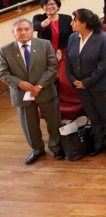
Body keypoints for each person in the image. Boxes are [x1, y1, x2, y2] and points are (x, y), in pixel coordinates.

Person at [0, 18, 63, 164]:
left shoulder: (44, 44)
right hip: (21, 94)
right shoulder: (5, 50)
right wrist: (19, 83)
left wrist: (39, 85)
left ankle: (56, 147)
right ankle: (36, 150)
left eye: (26, 29)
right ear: (13, 33)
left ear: (32, 30)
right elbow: (2, 72)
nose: (23, 32)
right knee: (29, 125)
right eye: (19, 30)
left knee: (53, 122)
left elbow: (52, 67)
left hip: (45, 92)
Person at [65, 8, 106, 157]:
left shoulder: (102, 38)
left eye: (74, 20)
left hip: (99, 84)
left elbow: (104, 64)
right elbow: (69, 62)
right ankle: (98, 142)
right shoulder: (73, 38)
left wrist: (87, 82)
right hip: (80, 86)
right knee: (93, 115)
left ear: (85, 23)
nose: (71, 23)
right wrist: (73, 80)